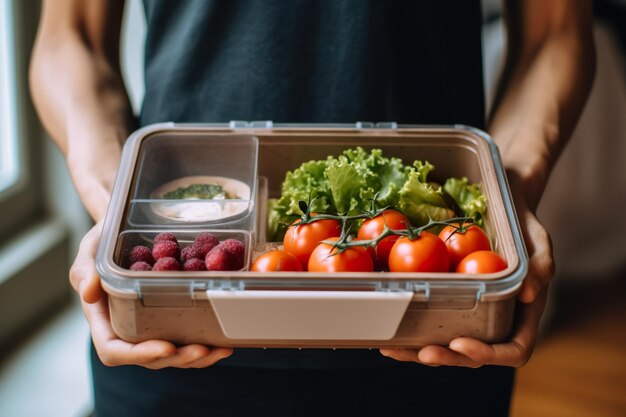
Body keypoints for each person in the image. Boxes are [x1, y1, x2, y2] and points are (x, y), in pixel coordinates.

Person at [29, 1, 595, 416]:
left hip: (435, 328)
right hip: (173, 328)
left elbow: (556, 33)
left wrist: (509, 191)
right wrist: (116, 206)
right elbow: (69, 38)